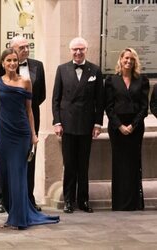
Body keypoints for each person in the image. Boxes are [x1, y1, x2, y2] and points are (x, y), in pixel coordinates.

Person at [0, 48, 59, 229]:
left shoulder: (26, 82)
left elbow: (29, 111)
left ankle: (19, 218)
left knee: (19, 174)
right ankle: (14, 213)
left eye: (14, 60)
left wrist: (34, 135)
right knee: (7, 174)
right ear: (2, 63)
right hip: (4, 133)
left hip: (21, 133)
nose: (12, 64)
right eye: (9, 61)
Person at [52, 37, 104, 214]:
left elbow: (100, 100)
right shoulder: (62, 69)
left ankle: (83, 200)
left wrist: (98, 123)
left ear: (86, 50)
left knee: (83, 165)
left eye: (81, 49)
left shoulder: (95, 70)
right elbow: (56, 99)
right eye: (75, 49)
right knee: (69, 164)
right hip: (67, 125)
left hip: (86, 125)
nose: (78, 52)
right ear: (70, 51)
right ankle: (68, 200)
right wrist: (57, 122)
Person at [0, 36, 46, 213]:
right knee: (6, 165)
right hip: (5, 124)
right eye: (20, 47)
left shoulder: (36, 67)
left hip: (25, 123)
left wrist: (32, 131)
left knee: (24, 165)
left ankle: (26, 201)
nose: (25, 49)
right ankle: (3, 200)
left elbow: (41, 96)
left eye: (27, 46)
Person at [105, 48, 149, 211]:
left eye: (132, 59)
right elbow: (108, 107)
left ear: (135, 61)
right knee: (119, 163)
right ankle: (119, 203)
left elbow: (144, 107)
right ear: (121, 59)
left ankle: (134, 202)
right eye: (126, 58)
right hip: (117, 127)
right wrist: (120, 126)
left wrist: (132, 125)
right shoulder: (111, 80)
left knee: (133, 163)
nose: (128, 61)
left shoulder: (142, 81)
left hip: (135, 127)